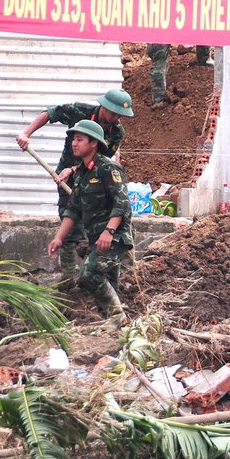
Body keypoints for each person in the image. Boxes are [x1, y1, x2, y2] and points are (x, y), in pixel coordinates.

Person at [17, 89, 134, 284]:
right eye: (113, 113)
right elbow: (51, 113)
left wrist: (74, 169)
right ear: (104, 106)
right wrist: (26, 133)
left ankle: (97, 276)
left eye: (119, 115)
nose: (116, 118)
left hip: (94, 181)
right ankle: (68, 279)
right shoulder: (80, 111)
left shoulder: (116, 132)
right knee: (70, 225)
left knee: (95, 225)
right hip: (68, 180)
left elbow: (100, 160)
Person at [47, 120, 133, 327]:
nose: (74, 144)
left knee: (89, 275)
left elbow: (122, 204)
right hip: (97, 238)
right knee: (109, 282)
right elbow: (73, 209)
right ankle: (115, 328)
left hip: (114, 237)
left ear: (93, 143)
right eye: (73, 140)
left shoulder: (109, 169)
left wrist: (109, 231)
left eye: (79, 139)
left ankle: (119, 318)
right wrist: (59, 238)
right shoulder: (81, 173)